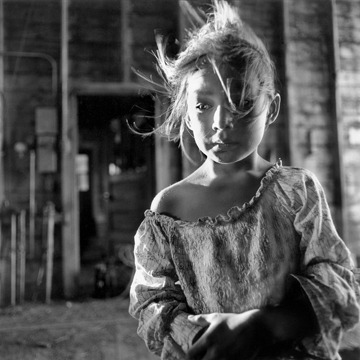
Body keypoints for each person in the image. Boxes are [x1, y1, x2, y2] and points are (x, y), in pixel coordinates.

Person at [128, 1, 360, 359]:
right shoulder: (168, 211)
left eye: (242, 101)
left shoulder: (295, 192)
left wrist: (268, 325)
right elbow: (151, 303)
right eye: (203, 106)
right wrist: (202, 338)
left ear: (273, 109)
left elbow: (338, 280)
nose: (222, 121)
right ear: (187, 116)